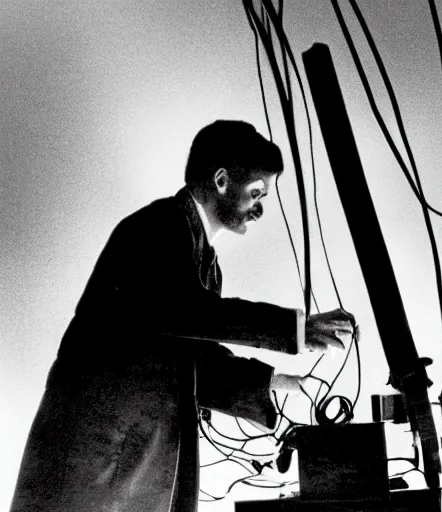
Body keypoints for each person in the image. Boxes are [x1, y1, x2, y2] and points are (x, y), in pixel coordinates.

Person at [10, 120, 356, 512]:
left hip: (130, 459)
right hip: (95, 458)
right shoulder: (158, 225)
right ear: (222, 180)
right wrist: (296, 329)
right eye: (256, 193)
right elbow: (183, 312)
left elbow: (192, 358)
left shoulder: (204, 261)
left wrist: (276, 381)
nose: (260, 209)